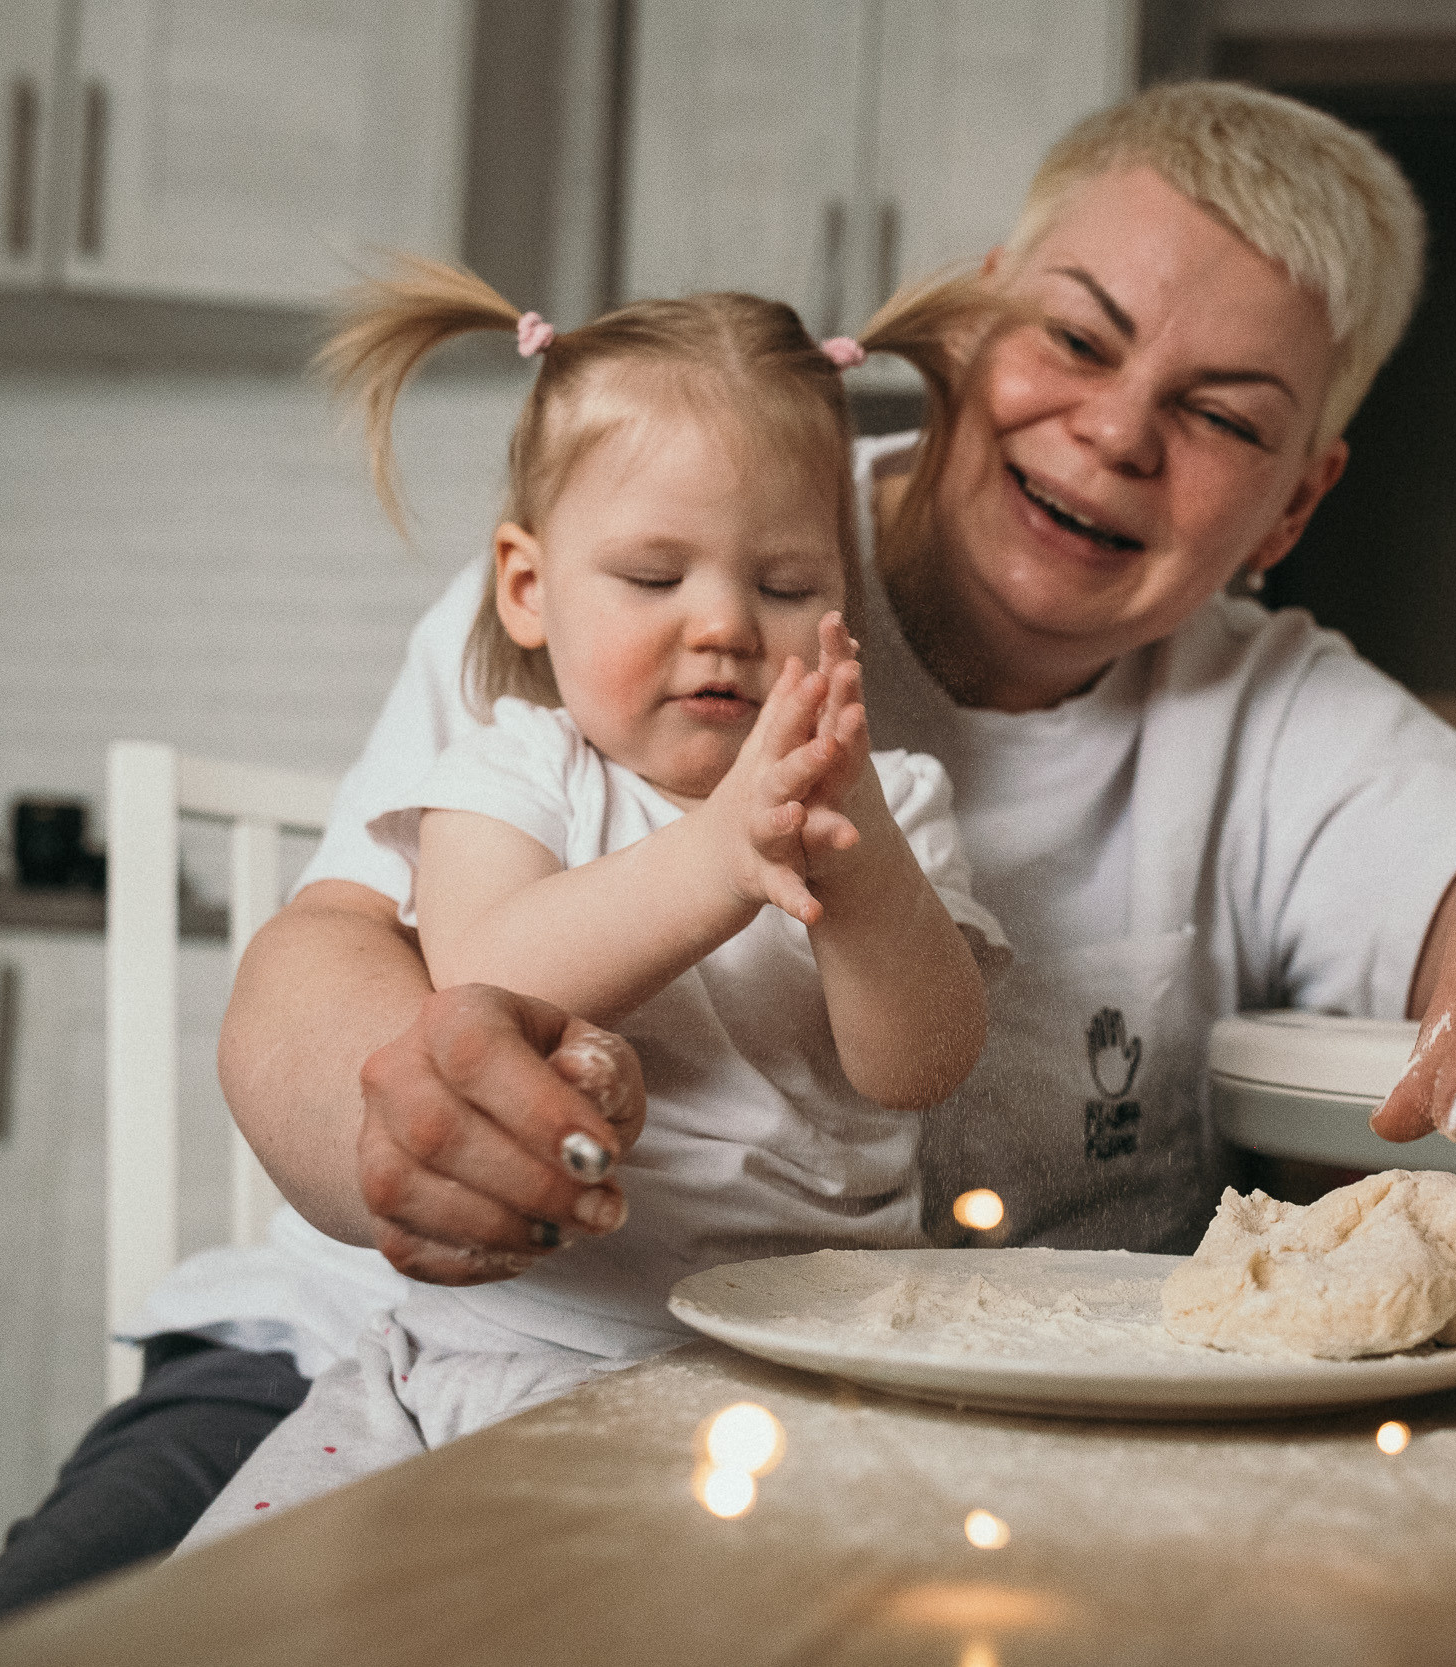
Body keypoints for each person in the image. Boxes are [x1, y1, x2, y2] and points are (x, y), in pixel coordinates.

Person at [0, 80, 1456, 1650]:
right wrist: (385, 1117)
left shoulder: (1278, 718)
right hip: (385, 1357)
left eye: (1222, 418)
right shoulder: (669, 529)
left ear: (1294, 502)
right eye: (1075, 338)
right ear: (967, 328)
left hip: (877, 1427)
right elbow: (335, 949)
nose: (1119, 433)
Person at [168, 263, 1005, 1545]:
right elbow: (488, 973)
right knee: (259, 1600)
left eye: (785, 585)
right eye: (655, 576)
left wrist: (863, 868)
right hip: (504, 1355)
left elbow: (920, 1063)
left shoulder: (890, 797)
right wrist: (723, 852)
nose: (725, 622)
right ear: (526, 587)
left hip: (814, 1375)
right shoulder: (514, 770)